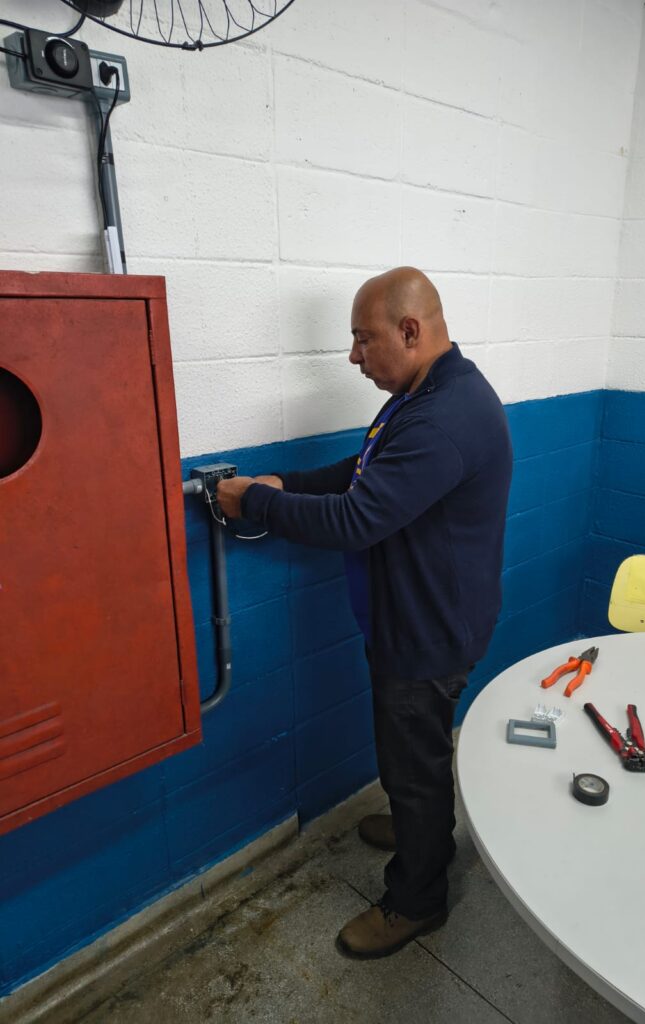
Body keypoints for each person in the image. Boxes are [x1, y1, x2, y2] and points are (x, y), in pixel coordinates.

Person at [217, 267, 513, 959]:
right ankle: (421, 829)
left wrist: (255, 501)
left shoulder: (442, 416)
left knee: (412, 763)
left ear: (409, 331)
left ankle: (416, 900)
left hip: (426, 632)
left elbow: (356, 519)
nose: (354, 357)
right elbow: (368, 470)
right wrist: (288, 482)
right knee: (415, 757)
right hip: (421, 618)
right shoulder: (426, 394)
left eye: (362, 339)